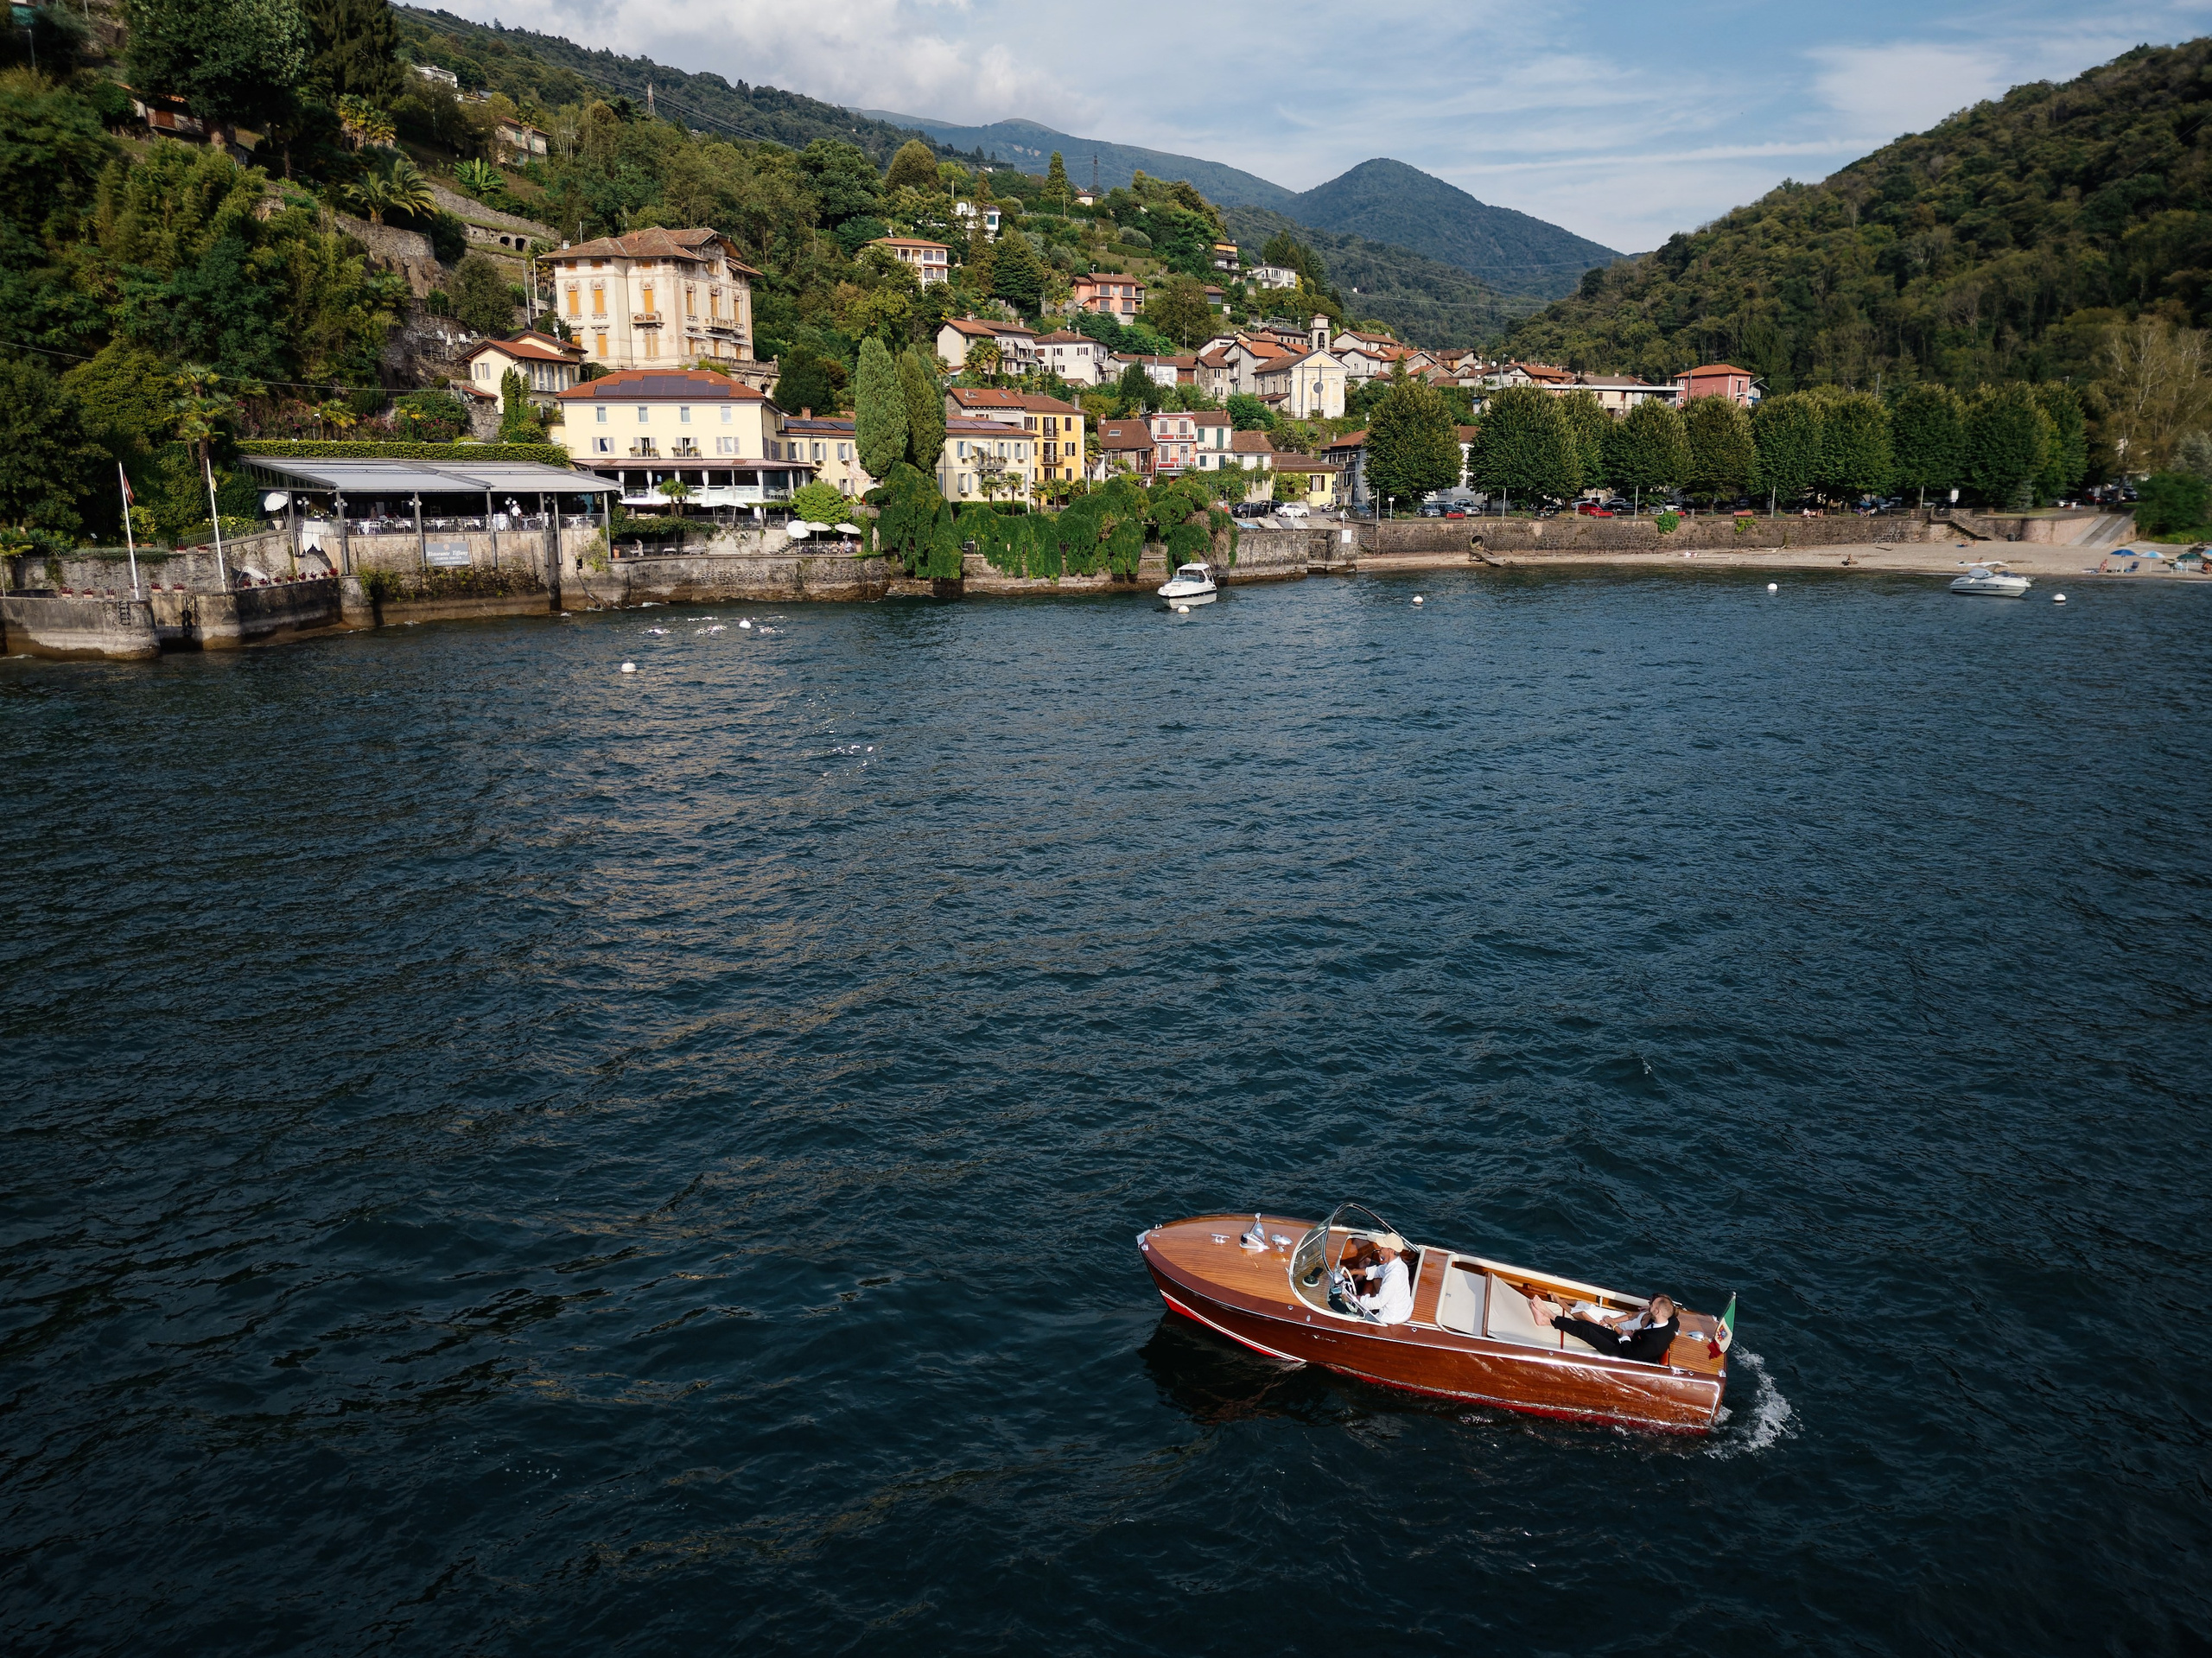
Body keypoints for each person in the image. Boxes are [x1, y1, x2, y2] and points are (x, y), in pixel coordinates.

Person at [1551, 1294, 1680, 1363]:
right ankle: (1553, 1318)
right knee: (1590, 1325)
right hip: (1627, 1342)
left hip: (1623, 1353)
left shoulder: (1653, 1340)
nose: (1649, 1305)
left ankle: (1551, 1317)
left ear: (1657, 1312)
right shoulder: (1671, 1322)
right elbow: (1674, 1318)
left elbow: (1631, 1356)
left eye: (1651, 1305)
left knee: (1587, 1332)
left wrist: (1624, 1335)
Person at [1355, 1244, 1415, 1325]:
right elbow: (1376, 1271)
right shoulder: (1398, 1264)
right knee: (1374, 1279)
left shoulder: (1394, 1276)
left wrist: (1355, 1299)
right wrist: (1353, 1271)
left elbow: (1378, 1303)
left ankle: (1360, 1311)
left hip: (1391, 1318)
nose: (1380, 1249)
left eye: (1383, 1247)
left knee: (1356, 1321)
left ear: (1391, 1251)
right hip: (1401, 1309)